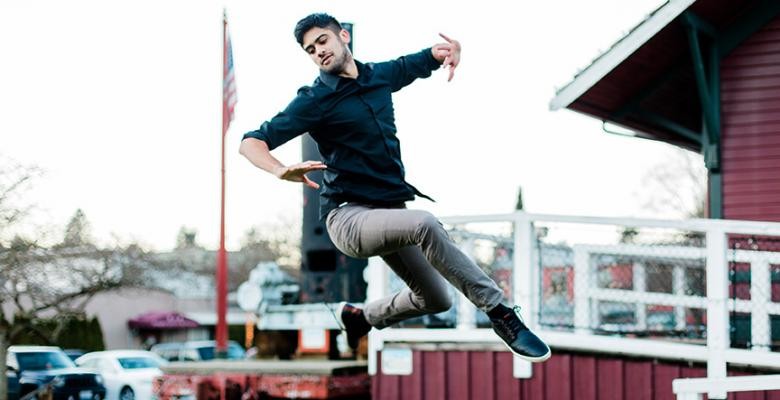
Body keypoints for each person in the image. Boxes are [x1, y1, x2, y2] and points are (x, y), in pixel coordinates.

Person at [239, 13, 550, 362]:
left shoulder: (378, 77)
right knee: (425, 224)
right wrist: (279, 170)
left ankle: (360, 318)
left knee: (435, 298)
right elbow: (251, 142)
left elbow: (416, 62)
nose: (319, 52)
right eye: (311, 50)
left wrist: (446, 51)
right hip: (349, 218)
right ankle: (501, 314)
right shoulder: (314, 100)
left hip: (389, 212)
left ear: (343, 36)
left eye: (323, 41)